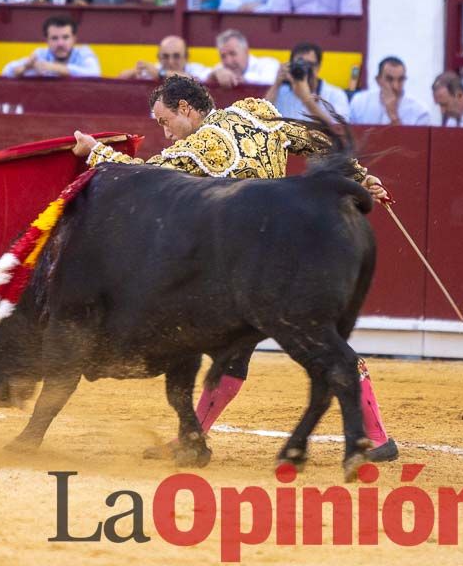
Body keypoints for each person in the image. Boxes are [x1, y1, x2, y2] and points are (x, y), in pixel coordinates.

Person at [71, 75, 398, 464]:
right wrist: (360, 176)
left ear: (186, 109)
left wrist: (94, 152)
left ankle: (374, 435)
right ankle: (194, 437)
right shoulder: (254, 111)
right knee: (247, 347)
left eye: (164, 121)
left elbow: (142, 177)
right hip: (291, 240)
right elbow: (317, 140)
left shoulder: (200, 147)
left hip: (246, 259)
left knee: (303, 342)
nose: (166, 132)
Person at [266, 41, 351, 124]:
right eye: (300, 64)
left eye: (309, 65)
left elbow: (339, 129)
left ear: (318, 67)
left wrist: (307, 100)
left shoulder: (335, 94)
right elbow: (261, 117)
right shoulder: (282, 92)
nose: (305, 69)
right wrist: (276, 84)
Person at [1, 14, 101, 77]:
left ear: (74, 39)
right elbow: (6, 71)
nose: (60, 43)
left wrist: (53, 67)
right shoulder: (41, 55)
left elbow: (94, 73)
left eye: (65, 38)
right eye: (54, 38)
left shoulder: (83, 53)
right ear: (47, 41)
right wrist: (25, 67)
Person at [348, 55, 431, 125]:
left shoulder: (419, 111)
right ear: (378, 80)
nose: (395, 86)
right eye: (389, 79)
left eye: (401, 79)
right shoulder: (359, 102)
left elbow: (416, 143)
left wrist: (393, 115)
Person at [202, 28, 279, 87]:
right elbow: (200, 79)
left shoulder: (268, 64)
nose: (228, 61)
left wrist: (242, 79)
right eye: (223, 56)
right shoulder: (220, 68)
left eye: (233, 54)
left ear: (246, 51)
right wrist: (213, 75)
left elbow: (270, 81)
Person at [117, 34, 209, 80]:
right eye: (165, 56)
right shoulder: (154, 69)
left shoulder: (197, 69)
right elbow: (120, 79)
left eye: (176, 56)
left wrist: (160, 73)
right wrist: (135, 71)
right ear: (158, 58)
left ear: (186, 57)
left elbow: (194, 81)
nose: (170, 62)